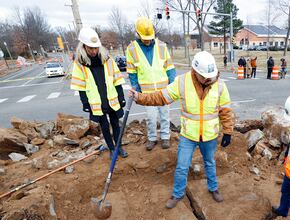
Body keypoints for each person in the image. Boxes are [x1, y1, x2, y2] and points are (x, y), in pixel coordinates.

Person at [129, 51, 234, 209]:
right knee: (182, 165)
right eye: (204, 76)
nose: (208, 79)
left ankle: (213, 188)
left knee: (210, 163)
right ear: (195, 72)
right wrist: (139, 97)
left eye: (210, 76)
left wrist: (228, 131)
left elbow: (225, 109)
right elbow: (161, 97)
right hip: (188, 135)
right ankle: (177, 194)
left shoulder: (219, 84)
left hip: (209, 135)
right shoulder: (182, 82)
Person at [71, 27, 128, 159]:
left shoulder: (107, 59)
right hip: (97, 102)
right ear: (83, 47)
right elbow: (81, 86)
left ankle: (119, 146)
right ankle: (112, 148)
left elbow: (117, 79)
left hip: (111, 99)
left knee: (116, 124)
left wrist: (121, 97)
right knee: (105, 127)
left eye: (96, 48)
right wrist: (85, 103)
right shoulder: (80, 63)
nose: (93, 51)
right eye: (90, 48)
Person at [126, 17, 176, 151]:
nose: (148, 40)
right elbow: (132, 73)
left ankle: (165, 137)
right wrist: (136, 90)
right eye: (145, 38)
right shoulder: (131, 49)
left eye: (149, 37)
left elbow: (169, 67)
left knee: (165, 115)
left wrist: (173, 84)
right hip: (147, 92)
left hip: (163, 90)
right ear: (138, 34)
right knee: (151, 118)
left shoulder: (161, 46)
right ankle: (152, 138)